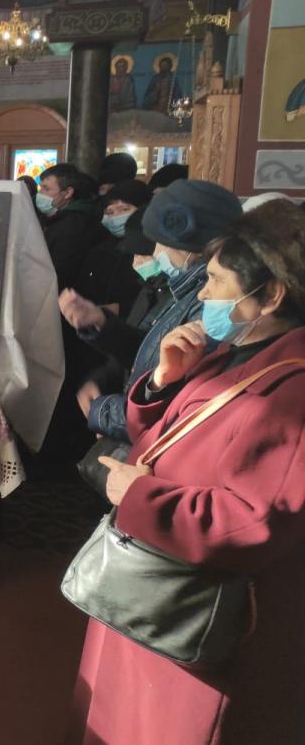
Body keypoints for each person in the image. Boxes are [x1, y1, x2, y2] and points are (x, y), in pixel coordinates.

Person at [72, 199, 305, 745]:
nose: (202, 294)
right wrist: (164, 382)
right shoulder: (237, 348)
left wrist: (141, 497)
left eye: (217, 280)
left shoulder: (292, 392)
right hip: (155, 576)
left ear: (270, 294)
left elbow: (255, 523)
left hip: (196, 607)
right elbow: (170, 429)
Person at [63, 180, 243, 444]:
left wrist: (105, 412)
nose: (154, 254)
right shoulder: (179, 289)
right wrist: (102, 324)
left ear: (185, 243)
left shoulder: (215, 305)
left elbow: (180, 406)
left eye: (157, 244)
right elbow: (150, 351)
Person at [73, 179, 148, 318]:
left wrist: (122, 309)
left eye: (124, 209)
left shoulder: (151, 252)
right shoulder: (98, 250)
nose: (116, 216)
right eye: (110, 212)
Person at [37, 163, 106, 290]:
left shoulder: (72, 225)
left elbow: (61, 271)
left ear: (67, 193)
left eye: (46, 189)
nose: (40, 194)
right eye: (40, 188)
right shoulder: (63, 218)